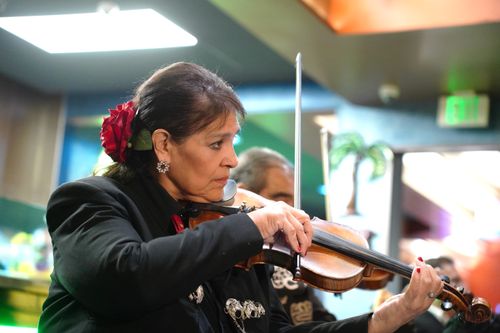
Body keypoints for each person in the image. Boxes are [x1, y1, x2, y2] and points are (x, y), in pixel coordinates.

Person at [38, 62, 443, 333]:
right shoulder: (90, 201)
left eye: (233, 142)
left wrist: (385, 319)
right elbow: (125, 277)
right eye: (216, 144)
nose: (232, 159)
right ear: (163, 145)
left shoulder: (230, 226)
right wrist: (251, 225)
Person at [230, 147, 336, 325]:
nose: (291, 210)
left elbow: (318, 319)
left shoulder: (290, 260)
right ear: (244, 196)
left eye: (293, 201)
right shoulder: (232, 260)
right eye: (281, 200)